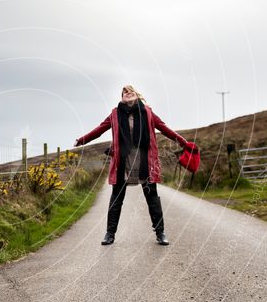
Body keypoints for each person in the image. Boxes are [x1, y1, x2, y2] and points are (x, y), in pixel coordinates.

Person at [74, 85, 195, 246]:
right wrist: (81, 140)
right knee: (116, 198)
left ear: (136, 95)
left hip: (145, 161)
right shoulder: (115, 114)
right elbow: (100, 130)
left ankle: (160, 233)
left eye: (130, 90)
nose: (127, 93)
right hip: (122, 162)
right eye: (124, 92)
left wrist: (184, 143)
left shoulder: (148, 112)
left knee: (152, 197)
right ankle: (110, 234)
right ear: (122, 97)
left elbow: (164, 129)